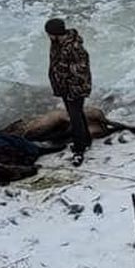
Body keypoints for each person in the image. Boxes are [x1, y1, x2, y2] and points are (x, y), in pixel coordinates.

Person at [45, 18, 93, 166]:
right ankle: (85, 140)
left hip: (75, 88)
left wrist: (71, 87)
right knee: (77, 113)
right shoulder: (57, 44)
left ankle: (79, 150)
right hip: (65, 88)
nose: (48, 37)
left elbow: (80, 70)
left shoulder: (74, 47)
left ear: (56, 33)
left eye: (49, 34)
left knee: (75, 117)